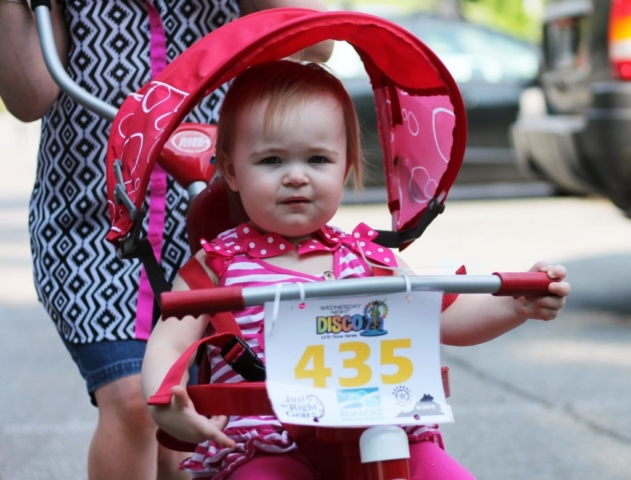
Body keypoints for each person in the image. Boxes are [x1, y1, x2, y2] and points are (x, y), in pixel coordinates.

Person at [141, 59, 571, 479]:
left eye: (317, 160)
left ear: (345, 167)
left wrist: (516, 307)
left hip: (385, 429)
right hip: (263, 441)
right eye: (271, 160)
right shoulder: (219, 264)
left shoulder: (369, 258)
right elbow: (168, 342)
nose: (296, 176)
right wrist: (165, 402)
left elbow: (446, 319)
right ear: (232, 172)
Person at [0, 1, 332, 479]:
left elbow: (316, 44)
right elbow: (30, 96)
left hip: (212, 225)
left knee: (186, 417)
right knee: (136, 398)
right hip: (95, 229)